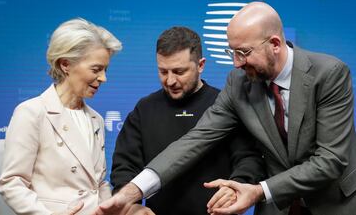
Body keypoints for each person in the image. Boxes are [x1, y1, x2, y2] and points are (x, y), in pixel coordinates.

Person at [92, 2, 356, 215]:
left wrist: (258, 190)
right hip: (282, 208)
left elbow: (329, 161)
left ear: (274, 43)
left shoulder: (329, 74)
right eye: (230, 52)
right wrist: (134, 191)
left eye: (243, 53)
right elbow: (195, 140)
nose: (236, 63)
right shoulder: (239, 83)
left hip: (342, 202)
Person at [110, 26, 264, 215]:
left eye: (179, 71)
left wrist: (236, 186)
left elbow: (248, 158)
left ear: (201, 65)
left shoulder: (225, 104)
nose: (170, 81)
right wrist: (131, 206)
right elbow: (124, 167)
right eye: (163, 72)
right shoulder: (144, 109)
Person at [0, 18, 123, 215]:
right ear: (65, 64)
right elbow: (12, 183)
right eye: (96, 69)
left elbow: (98, 184)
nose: (103, 78)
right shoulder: (32, 112)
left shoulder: (96, 119)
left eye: (105, 70)